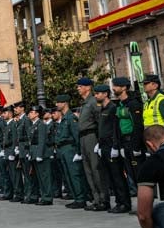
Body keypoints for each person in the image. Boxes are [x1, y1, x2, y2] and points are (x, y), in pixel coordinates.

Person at [95, 84, 131, 213]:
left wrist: (115, 146)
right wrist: (99, 144)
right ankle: (118, 202)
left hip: (111, 145)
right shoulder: (102, 109)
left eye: (98, 93)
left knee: (117, 176)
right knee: (110, 176)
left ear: (105, 94)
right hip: (104, 145)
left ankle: (124, 203)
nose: (96, 96)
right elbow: (102, 129)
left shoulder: (112, 108)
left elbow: (115, 129)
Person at [76, 78, 107, 210]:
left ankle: (103, 199)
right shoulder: (84, 103)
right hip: (83, 137)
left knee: (96, 169)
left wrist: (99, 140)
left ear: (88, 87)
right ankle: (96, 199)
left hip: (91, 136)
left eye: (80, 86)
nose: (78, 88)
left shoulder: (93, 101)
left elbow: (99, 121)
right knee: (88, 170)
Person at [54, 96, 88, 209]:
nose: (57, 104)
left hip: (70, 149)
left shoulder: (71, 118)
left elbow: (76, 135)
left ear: (65, 103)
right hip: (63, 149)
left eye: (59, 102)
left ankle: (81, 199)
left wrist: (78, 152)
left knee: (74, 175)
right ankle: (76, 198)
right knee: (68, 175)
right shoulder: (64, 118)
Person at [141, 75, 164, 140]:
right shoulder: (147, 102)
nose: (144, 85)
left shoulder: (162, 100)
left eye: (146, 83)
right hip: (152, 139)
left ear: (155, 85)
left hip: (162, 138)